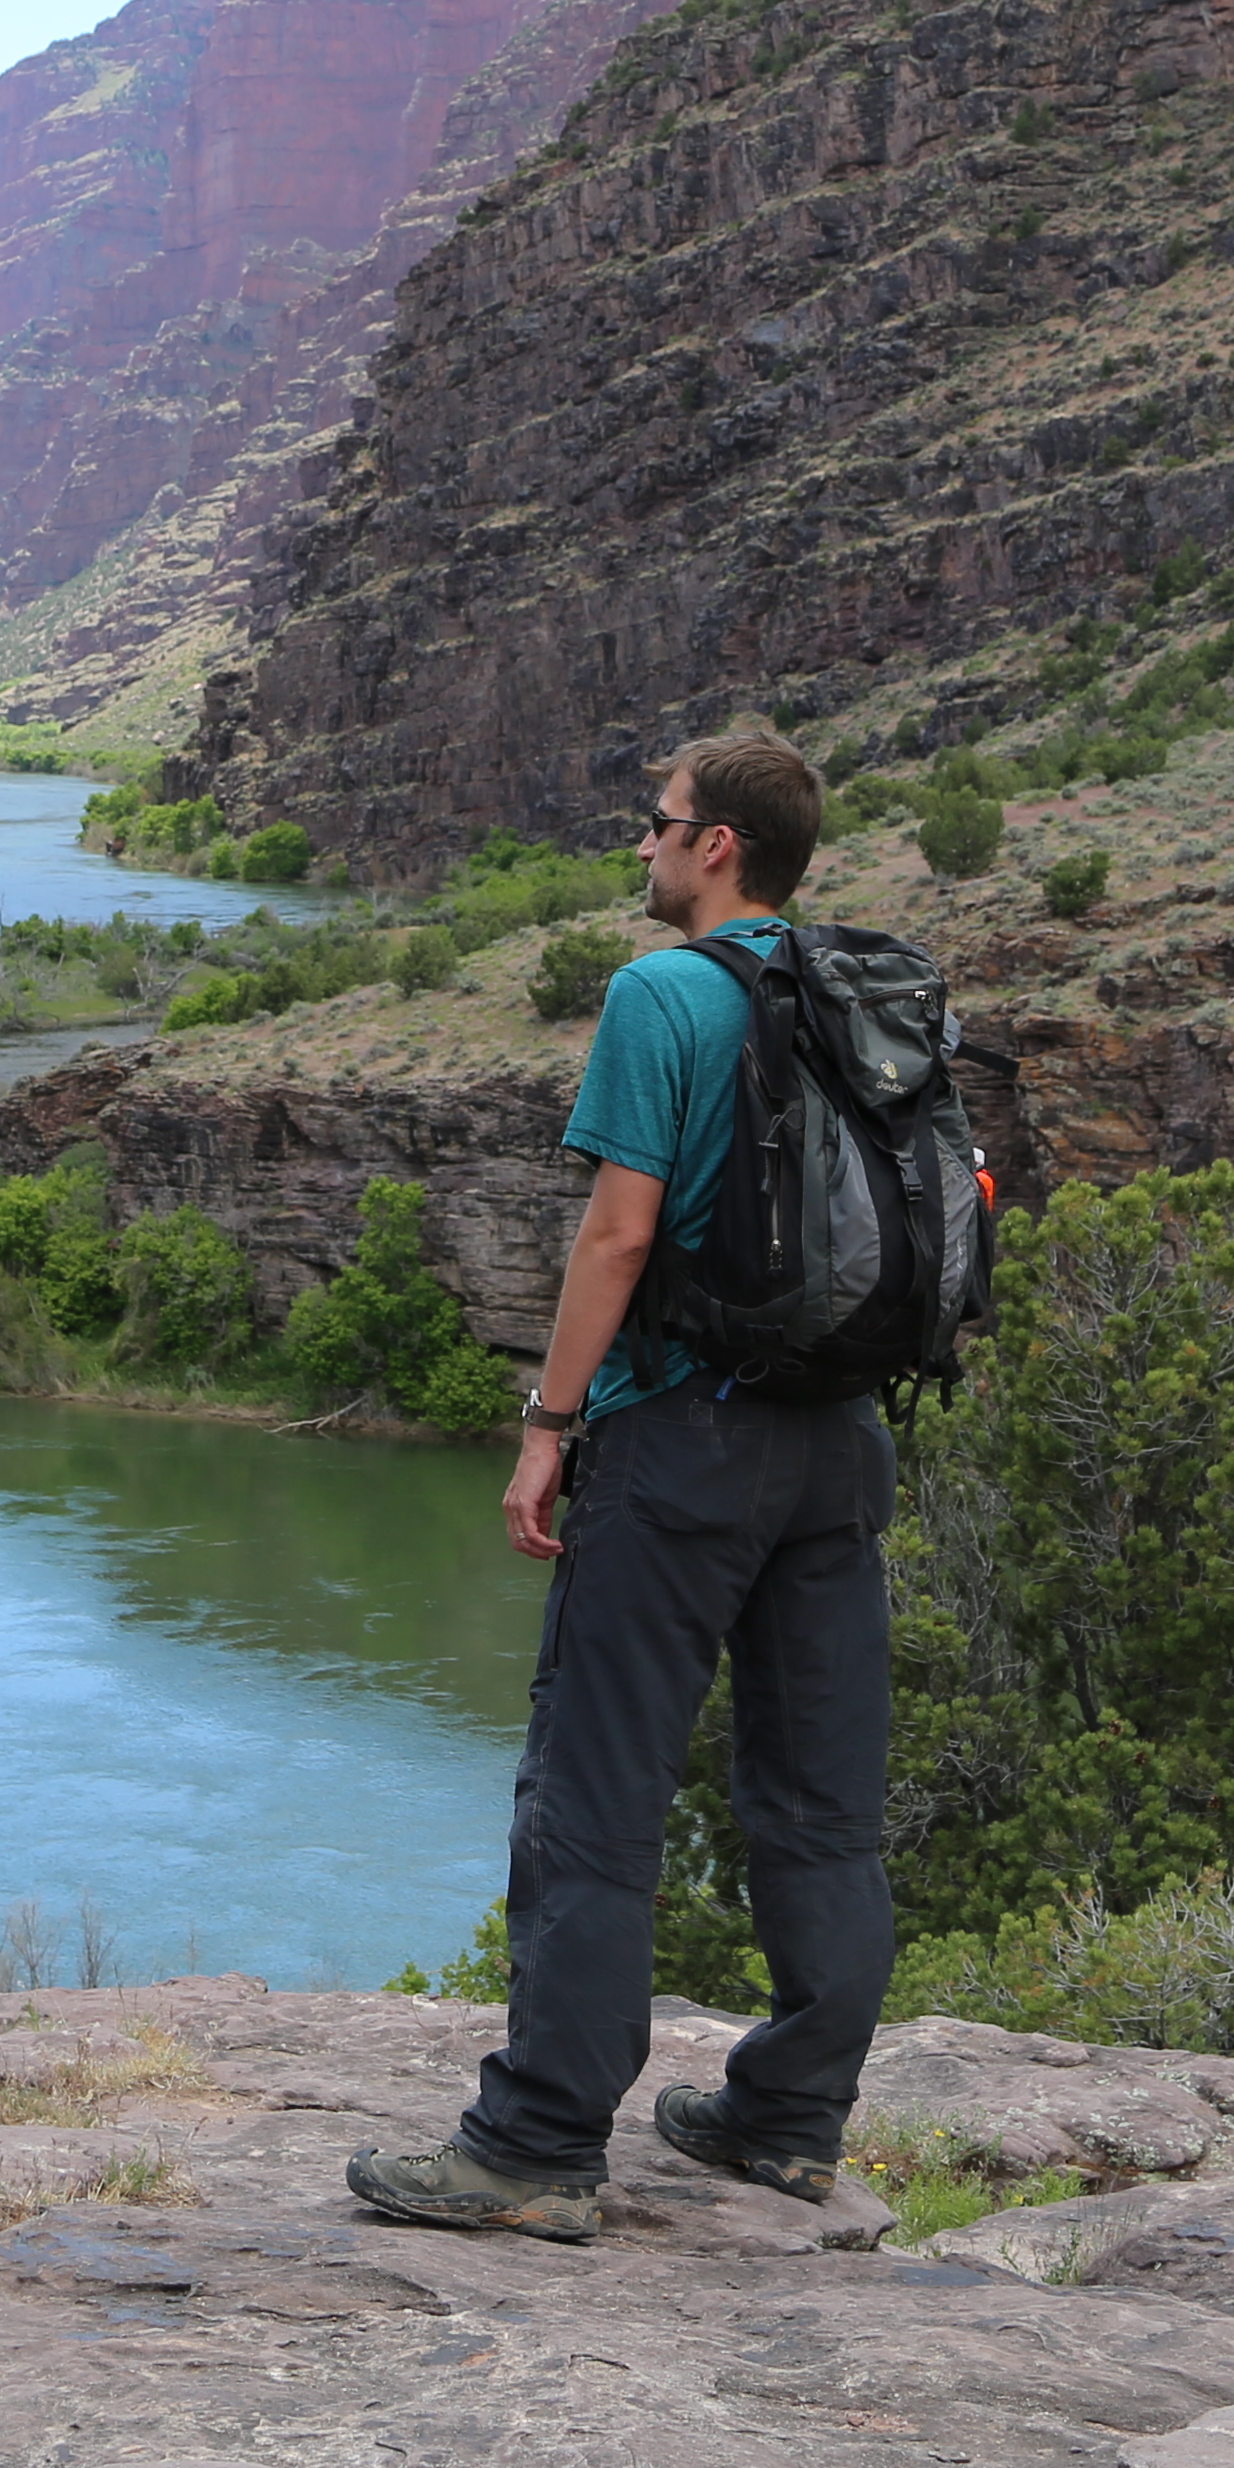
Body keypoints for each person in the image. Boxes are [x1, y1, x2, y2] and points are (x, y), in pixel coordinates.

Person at [345, 729, 893, 2242]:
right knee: (822, 1805)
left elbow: (617, 1237)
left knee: (593, 1794)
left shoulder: (667, 992)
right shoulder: (858, 985)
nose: (638, 851)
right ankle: (789, 2122)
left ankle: (534, 2149)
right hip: (842, 1444)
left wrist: (549, 1422)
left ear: (718, 845)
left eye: (654, 827)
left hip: (683, 1439)